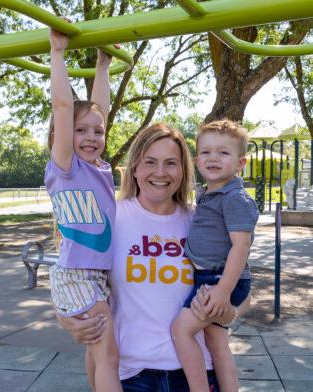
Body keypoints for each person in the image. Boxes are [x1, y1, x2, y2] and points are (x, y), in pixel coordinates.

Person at [57, 122, 251, 391]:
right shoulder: (109, 218)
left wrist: (228, 313)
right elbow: (73, 278)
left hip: (197, 374)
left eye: (171, 163)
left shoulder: (203, 220)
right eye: (150, 162)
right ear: (135, 168)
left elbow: (242, 285)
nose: (160, 172)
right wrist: (66, 319)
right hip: (133, 374)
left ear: (184, 170)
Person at [45, 27, 122, 392]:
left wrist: (102, 66)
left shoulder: (98, 168)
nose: (91, 137)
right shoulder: (66, 166)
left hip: (94, 274)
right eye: (80, 131)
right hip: (76, 273)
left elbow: (100, 110)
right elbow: (63, 106)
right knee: (108, 356)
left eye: (98, 132)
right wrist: (57, 54)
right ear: (63, 136)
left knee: (97, 355)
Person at [171, 119, 259, 392]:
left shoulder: (235, 199)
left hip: (219, 279)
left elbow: (241, 247)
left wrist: (222, 291)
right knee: (217, 341)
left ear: (240, 163)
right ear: (197, 161)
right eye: (206, 152)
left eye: (223, 152)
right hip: (211, 276)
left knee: (181, 330)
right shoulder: (209, 194)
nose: (213, 158)